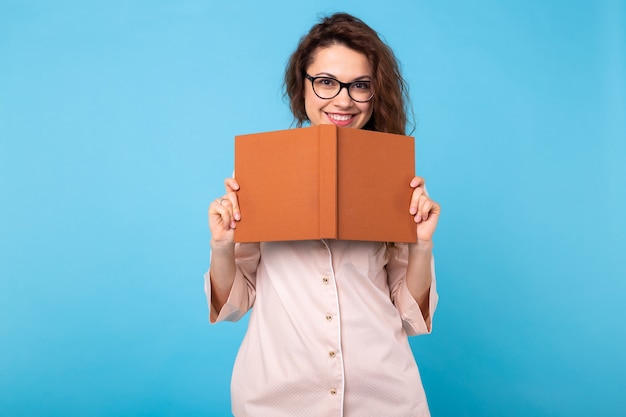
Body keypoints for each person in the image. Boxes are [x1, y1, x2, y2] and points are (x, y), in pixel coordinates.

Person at [205, 12, 440, 417]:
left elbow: (411, 314)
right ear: (303, 86)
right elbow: (235, 303)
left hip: (383, 398)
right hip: (277, 399)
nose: (344, 99)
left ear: (375, 92)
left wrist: (420, 245)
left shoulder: (394, 175)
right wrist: (222, 246)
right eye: (327, 82)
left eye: (360, 85)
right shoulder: (264, 169)